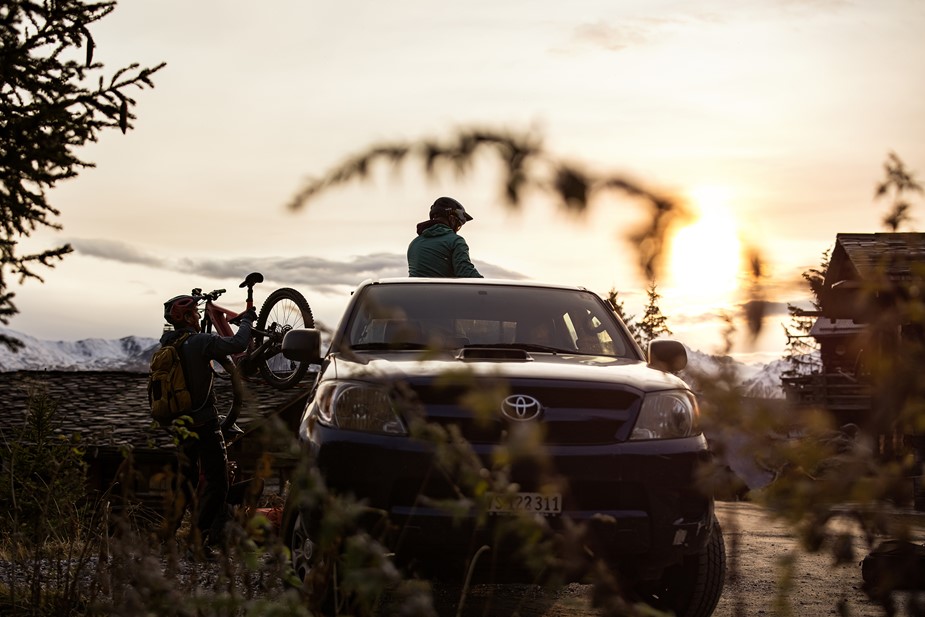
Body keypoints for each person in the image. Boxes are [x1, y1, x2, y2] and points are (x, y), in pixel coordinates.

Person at [160, 294, 257, 555]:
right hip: (205, 423)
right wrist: (246, 320)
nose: (197, 316)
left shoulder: (167, 345)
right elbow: (238, 343)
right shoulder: (200, 341)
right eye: (194, 313)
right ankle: (197, 539)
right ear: (189, 317)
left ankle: (167, 537)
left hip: (180, 423)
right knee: (219, 481)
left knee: (185, 479)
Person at [408, 196, 483, 278]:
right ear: (452, 219)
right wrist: (486, 285)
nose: (457, 230)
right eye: (458, 226)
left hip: (415, 291)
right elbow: (465, 272)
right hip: (444, 291)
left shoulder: (414, 244)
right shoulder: (455, 241)